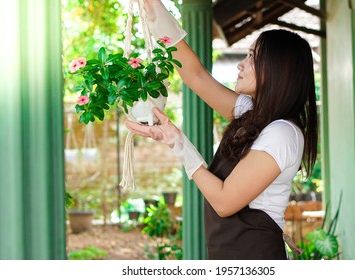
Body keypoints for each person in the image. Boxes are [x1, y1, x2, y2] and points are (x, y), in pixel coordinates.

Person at [126, 0, 318, 260]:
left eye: (252, 57)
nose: (241, 65)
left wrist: (179, 143)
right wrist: (155, 13)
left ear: (276, 70)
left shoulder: (282, 133)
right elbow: (195, 75)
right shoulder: (251, 114)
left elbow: (225, 202)